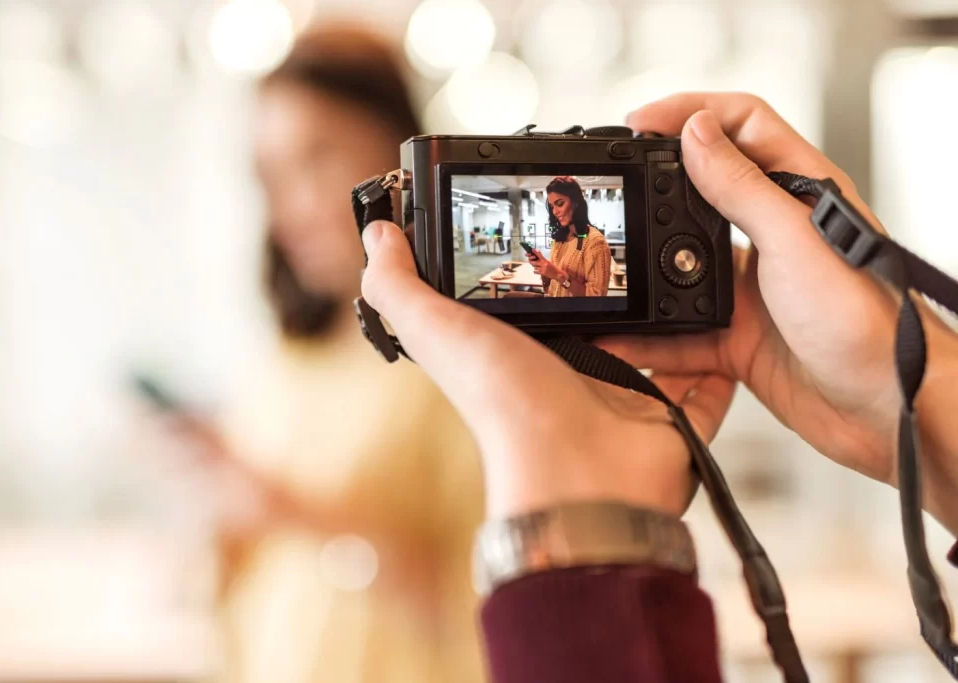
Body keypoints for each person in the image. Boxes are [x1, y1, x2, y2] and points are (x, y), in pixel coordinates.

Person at [358, 92, 958, 681]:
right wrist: (912, 394)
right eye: (553, 206)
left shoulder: (593, 241)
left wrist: (576, 536)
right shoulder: (563, 241)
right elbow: (562, 289)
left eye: (562, 205)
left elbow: (589, 288)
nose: (558, 213)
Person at [169, 24, 485, 683]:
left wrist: (292, 513)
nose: (290, 207)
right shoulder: (286, 356)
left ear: (398, 152)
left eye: (316, 158)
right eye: (271, 175)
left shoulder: (460, 353)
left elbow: (476, 602)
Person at [527, 176, 611, 297]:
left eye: (560, 203)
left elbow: (597, 297)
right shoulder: (560, 239)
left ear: (576, 202)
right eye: (552, 206)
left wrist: (559, 275)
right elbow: (551, 286)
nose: (555, 211)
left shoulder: (595, 242)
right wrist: (544, 268)